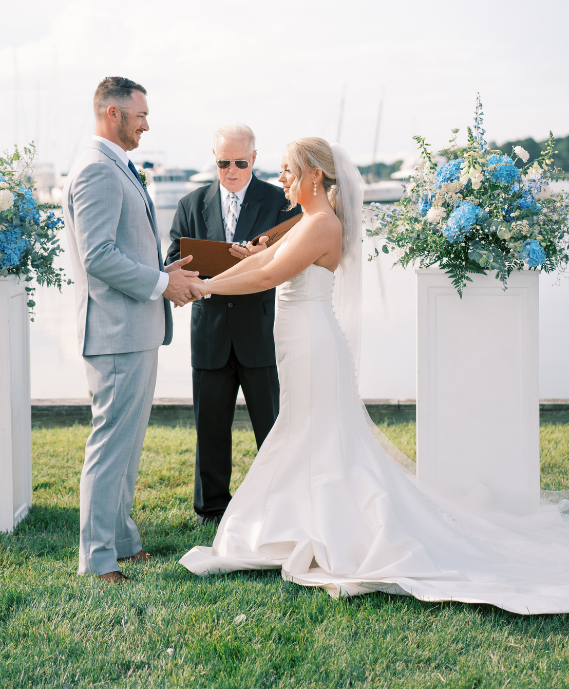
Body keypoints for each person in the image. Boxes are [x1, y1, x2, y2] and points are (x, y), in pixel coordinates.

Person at [180, 137, 569, 615]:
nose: (281, 178)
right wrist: (218, 272)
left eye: (287, 170)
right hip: (301, 343)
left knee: (313, 434)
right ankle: (294, 521)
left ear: (314, 177)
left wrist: (201, 289)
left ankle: (310, 525)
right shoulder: (307, 222)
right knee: (306, 433)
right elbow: (260, 261)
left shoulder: (322, 224)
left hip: (313, 345)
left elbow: (268, 277)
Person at [63, 76, 203, 584]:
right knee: (109, 447)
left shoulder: (114, 166)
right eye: (140, 114)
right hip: (115, 331)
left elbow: (128, 246)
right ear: (112, 114)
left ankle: (121, 542)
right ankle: (97, 562)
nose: (147, 123)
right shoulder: (97, 171)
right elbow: (98, 255)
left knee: (127, 444)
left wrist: (169, 272)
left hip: (135, 330)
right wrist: (163, 283)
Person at [165, 123, 301, 525]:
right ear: (215, 159)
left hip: (260, 331)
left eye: (240, 162)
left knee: (271, 426)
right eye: (223, 162)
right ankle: (211, 509)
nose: (231, 170)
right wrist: (203, 271)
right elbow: (175, 255)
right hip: (209, 332)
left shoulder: (279, 201)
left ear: (254, 160)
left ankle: (278, 503)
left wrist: (260, 256)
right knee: (210, 428)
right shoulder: (191, 203)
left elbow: (293, 258)